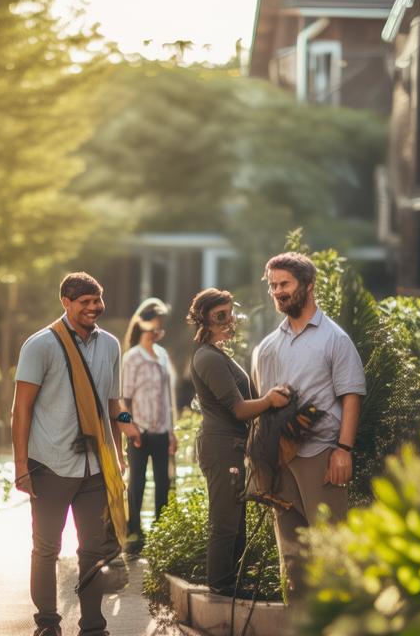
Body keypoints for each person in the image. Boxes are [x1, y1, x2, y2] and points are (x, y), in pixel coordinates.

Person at [11, 272, 141, 636]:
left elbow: (112, 402)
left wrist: (126, 426)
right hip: (49, 464)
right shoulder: (41, 345)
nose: (93, 307)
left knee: (94, 551)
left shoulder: (111, 345)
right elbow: (21, 409)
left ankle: (92, 634)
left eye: (97, 300)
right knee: (46, 549)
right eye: (84, 301)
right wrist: (21, 466)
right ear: (65, 303)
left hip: (95, 466)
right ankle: (46, 627)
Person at [251, 252, 366, 598]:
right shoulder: (268, 346)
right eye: (273, 286)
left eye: (284, 284)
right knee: (292, 557)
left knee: (331, 550)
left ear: (308, 285)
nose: (278, 291)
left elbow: (351, 396)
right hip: (279, 462)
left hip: (321, 457)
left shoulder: (335, 339)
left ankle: (335, 626)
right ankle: (299, 628)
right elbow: (263, 405)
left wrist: (343, 449)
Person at [186, 288, 289, 596]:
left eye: (230, 314)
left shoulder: (216, 354)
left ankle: (232, 581)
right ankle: (221, 585)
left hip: (231, 446)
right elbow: (240, 409)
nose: (229, 321)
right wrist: (269, 400)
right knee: (225, 520)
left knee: (236, 518)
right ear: (203, 318)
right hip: (221, 448)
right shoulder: (208, 358)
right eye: (221, 316)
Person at [120, 298, 177, 554]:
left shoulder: (162, 354)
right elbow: (122, 400)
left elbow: (167, 398)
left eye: (161, 325)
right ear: (143, 323)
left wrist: (172, 431)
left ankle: (161, 532)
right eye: (155, 323)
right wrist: (129, 428)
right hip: (139, 433)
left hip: (162, 431)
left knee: (164, 482)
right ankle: (134, 532)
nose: (158, 329)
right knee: (137, 483)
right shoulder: (132, 357)